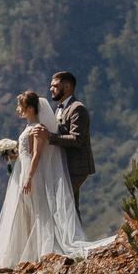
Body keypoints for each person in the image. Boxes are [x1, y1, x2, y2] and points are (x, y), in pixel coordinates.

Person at [0, 89, 113, 269]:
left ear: (31, 108)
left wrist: (29, 177)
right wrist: (13, 157)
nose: (18, 109)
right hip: (23, 171)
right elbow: (26, 154)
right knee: (25, 212)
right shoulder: (29, 127)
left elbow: (36, 156)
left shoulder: (37, 129)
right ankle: (23, 255)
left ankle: (39, 252)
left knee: (38, 211)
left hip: (31, 174)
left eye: (21, 106)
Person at [46, 70, 95, 207]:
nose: (51, 89)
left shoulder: (77, 109)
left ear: (67, 87)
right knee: (70, 209)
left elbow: (76, 139)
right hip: (65, 166)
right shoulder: (60, 109)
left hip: (76, 167)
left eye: (55, 86)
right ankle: (74, 229)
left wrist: (49, 137)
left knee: (61, 204)